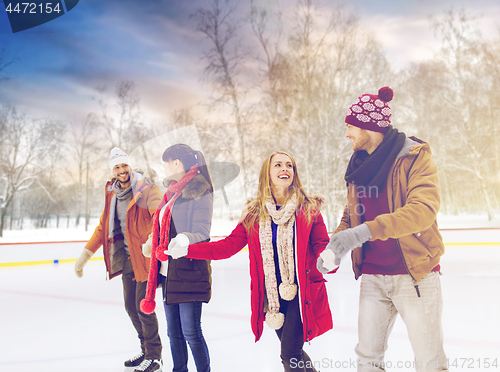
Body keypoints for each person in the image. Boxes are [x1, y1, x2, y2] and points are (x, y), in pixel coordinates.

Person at [165, 151, 335, 372]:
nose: (285, 169)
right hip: (272, 296)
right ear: (267, 172)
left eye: (289, 165)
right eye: (278, 165)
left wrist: (330, 257)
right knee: (294, 352)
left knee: (290, 353)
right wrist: (189, 249)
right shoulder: (255, 213)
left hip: (301, 293)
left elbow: (322, 245)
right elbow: (227, 246)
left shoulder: (308, 209)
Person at [318, 87, 448, 372]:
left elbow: (422, 211)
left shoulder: (414, 156)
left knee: (430, 363)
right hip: (374, 277)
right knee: (367, 361)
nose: (346, 134)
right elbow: (352, 216)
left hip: (415, 275)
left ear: (368, 126)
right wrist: (334, 247)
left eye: (350, 126)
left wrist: (360, 232)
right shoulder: (359, 166)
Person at [74, 147, 163, 372]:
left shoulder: (147, 190)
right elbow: (104, 227)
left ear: (130, 166)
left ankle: (155, 357)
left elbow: (159, 217)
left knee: (144, 307)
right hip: (126, 259)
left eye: (124, 165)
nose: (122, 170)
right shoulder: (112, 194)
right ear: (112, 171)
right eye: (117, 167)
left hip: (145, 257)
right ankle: (145, 349)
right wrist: (86, 254)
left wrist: (153, 241)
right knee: (131, 307)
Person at [140, 144, 214, 372]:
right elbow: (164, 226)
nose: (164, 169)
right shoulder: (172, 193)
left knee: (191, 331)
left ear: (176, 163)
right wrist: (153, 240)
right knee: (174, 333)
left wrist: (183, 239)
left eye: (166, 163)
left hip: (190, 270)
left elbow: (202, 230)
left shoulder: (199, 189)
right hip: (168, 272)